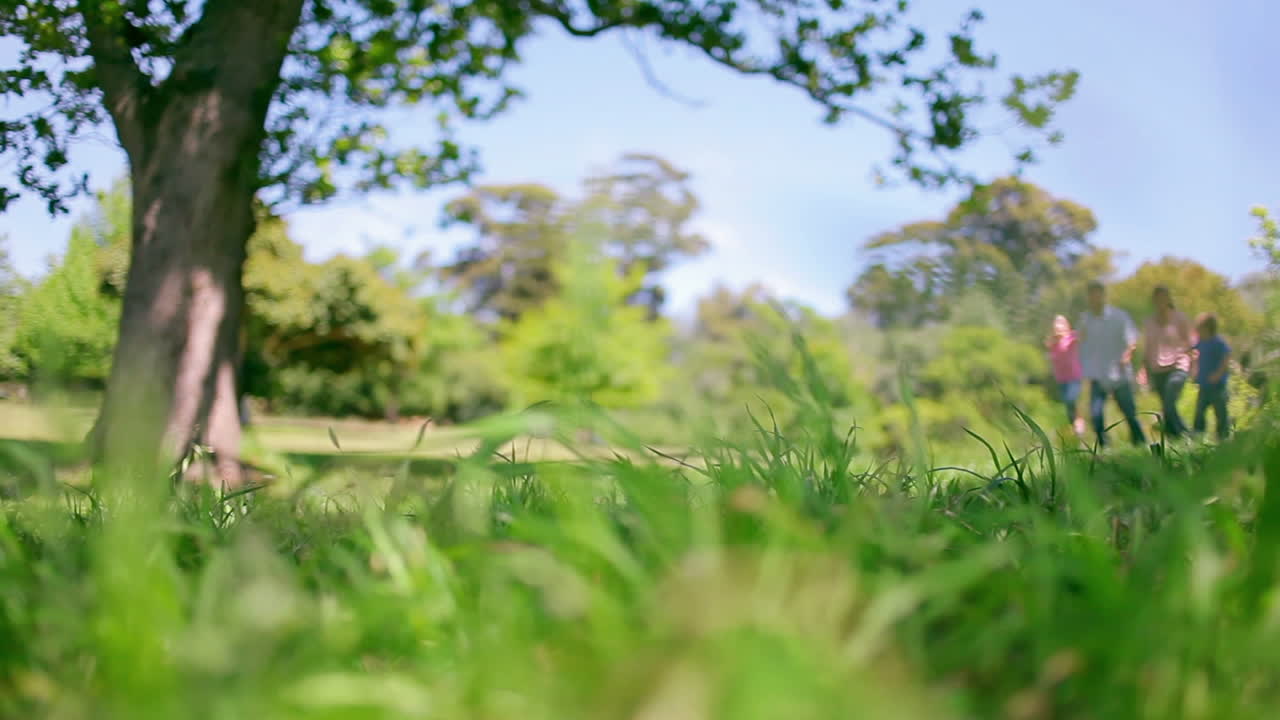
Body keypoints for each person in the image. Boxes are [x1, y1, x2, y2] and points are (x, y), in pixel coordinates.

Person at [1078, 281, 1147, 448]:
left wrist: (1126, 357)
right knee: (1096, 414)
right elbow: (1080, 342)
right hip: (1097, 374)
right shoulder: (1085, 320)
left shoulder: (1119, 316)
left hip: (1118, 372)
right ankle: (1105, 448)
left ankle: (1141, 444)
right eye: (1091, 296)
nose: (1095, 299)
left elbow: (1132, 340)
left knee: (1129, 412)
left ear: (1103, 296)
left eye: (1097, 295)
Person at [1142, 286, 1194, 438]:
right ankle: (1174, 437)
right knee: (1166, 405)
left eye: (1163, 298)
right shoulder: (1149, 322)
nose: (1161, 302)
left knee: (1169, 401)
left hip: (1178, 366)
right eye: (1157, 298)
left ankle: (1185, 433)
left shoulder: (1180, 319)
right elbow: (1148, 347)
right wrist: (1146, 371)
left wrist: (1194, 365)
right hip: (1157, 369)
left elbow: (1190, 343)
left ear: (1169, 299)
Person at [1191, 312, 1231, 440]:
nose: (1198, 331)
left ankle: (1223, 436)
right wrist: (1194, 371)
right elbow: (1191, 351)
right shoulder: (1201, 342)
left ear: (1208, 328)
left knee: (1220, 411)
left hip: (1217, 385)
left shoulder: (1218, 342)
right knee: (1199, 411)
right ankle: (1198, 434)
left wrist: (1218, 374)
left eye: (1200, 328)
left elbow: (1226, 357)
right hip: (1204, 384)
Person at [1044, 315, 1086, 437]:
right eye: (1055, 327)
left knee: (1071, 400)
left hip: (1074, 377)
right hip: (1062, 380)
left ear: (1066, 327)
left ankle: (1080, 425)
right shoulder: (1052, 343)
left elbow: (1082, 337)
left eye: (1060, 326)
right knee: (1069, 407)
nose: (1058, 329)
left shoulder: (1072, 338)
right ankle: (1077, 430)